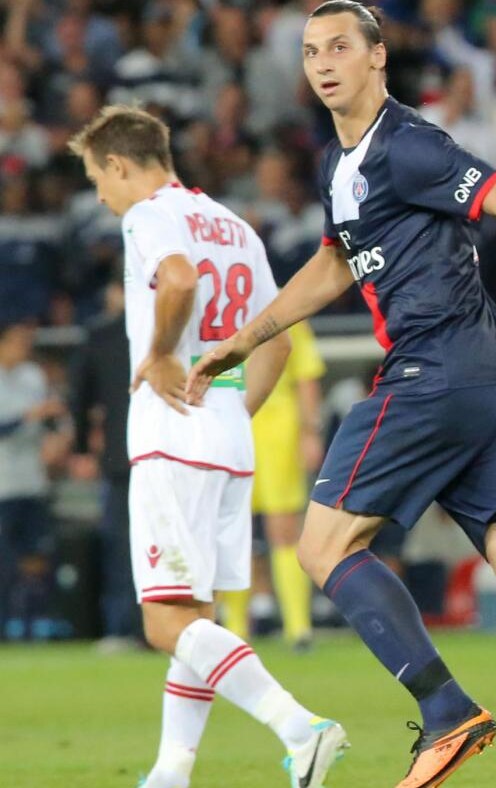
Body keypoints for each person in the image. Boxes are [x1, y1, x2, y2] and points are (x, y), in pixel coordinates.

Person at [185, 4, 496, 787]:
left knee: (322, 545)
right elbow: (335, 264)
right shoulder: (336, 165)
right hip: (495, 381)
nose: (323, 62)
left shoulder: (408, 146)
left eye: (341, 47)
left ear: (379, 57)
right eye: (312, 51)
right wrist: (247, 336)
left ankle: (445, 709)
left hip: (434, 369)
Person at [68, 105, 347, 788]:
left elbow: (181, 280)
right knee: (197, 618)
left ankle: (299, 727)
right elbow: (277, 338)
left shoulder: (148, 217)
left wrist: (163, 352)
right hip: (225, 435)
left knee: (164, 623)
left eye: (97, 178)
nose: (100, 196)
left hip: (170, 433)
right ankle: (171, 773)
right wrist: (231, 409)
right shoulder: (237, 226)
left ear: (121, 165)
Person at [222, 321, 325, 650]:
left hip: (279, 431)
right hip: (229, 428)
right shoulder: (220, 307)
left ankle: (298, 627)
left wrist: (310, 431)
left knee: (283, 529)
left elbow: (305, 376)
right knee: (233, 528)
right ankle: (236, 628)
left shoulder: (284, 309)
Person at [69, 280, 141, 649]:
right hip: (174, 453)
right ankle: (182, 625)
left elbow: (78, 396)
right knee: (170, 542)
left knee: (122, 545)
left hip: (122, 456)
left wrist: (82, 447)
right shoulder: (176, 326)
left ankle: (123, 628)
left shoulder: (101, 334)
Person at [0, 319, 63, 641]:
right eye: (17, 340)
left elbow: (51, 419)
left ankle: (30, 626)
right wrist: (29, 417)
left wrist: (56, 438)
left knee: (36, 558)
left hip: (32, 481)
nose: (24, 346)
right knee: (5, 561)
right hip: (3, 484)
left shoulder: (33, 376)